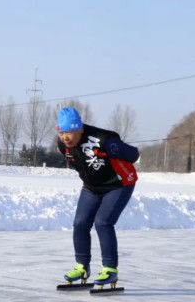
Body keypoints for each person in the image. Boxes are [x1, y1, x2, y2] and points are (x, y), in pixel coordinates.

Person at [56, 107, 139, 287]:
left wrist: (116, 149)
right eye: (62, 132)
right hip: (92, 187)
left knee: (103, 222)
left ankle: (110, 269)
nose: (65, 137)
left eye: (69, 132)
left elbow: (134, 154)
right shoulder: (63, 145)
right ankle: (82, 266)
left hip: (119, 183)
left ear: (80, 129)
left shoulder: (104, 141)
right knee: (80, 223)